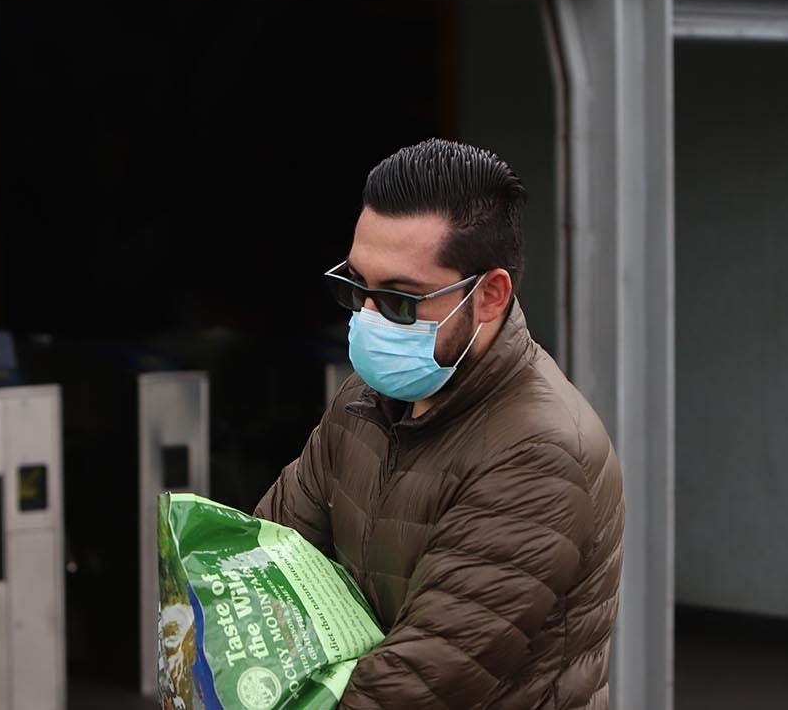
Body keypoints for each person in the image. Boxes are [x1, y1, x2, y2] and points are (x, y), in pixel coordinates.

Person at [256, 138, 624, 709]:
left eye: (401, 302)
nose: (369, 321)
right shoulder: (367, 397)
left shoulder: (541, 454)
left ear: (489, 296)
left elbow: (418, 684)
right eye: (357, 290)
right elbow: (267, 563)